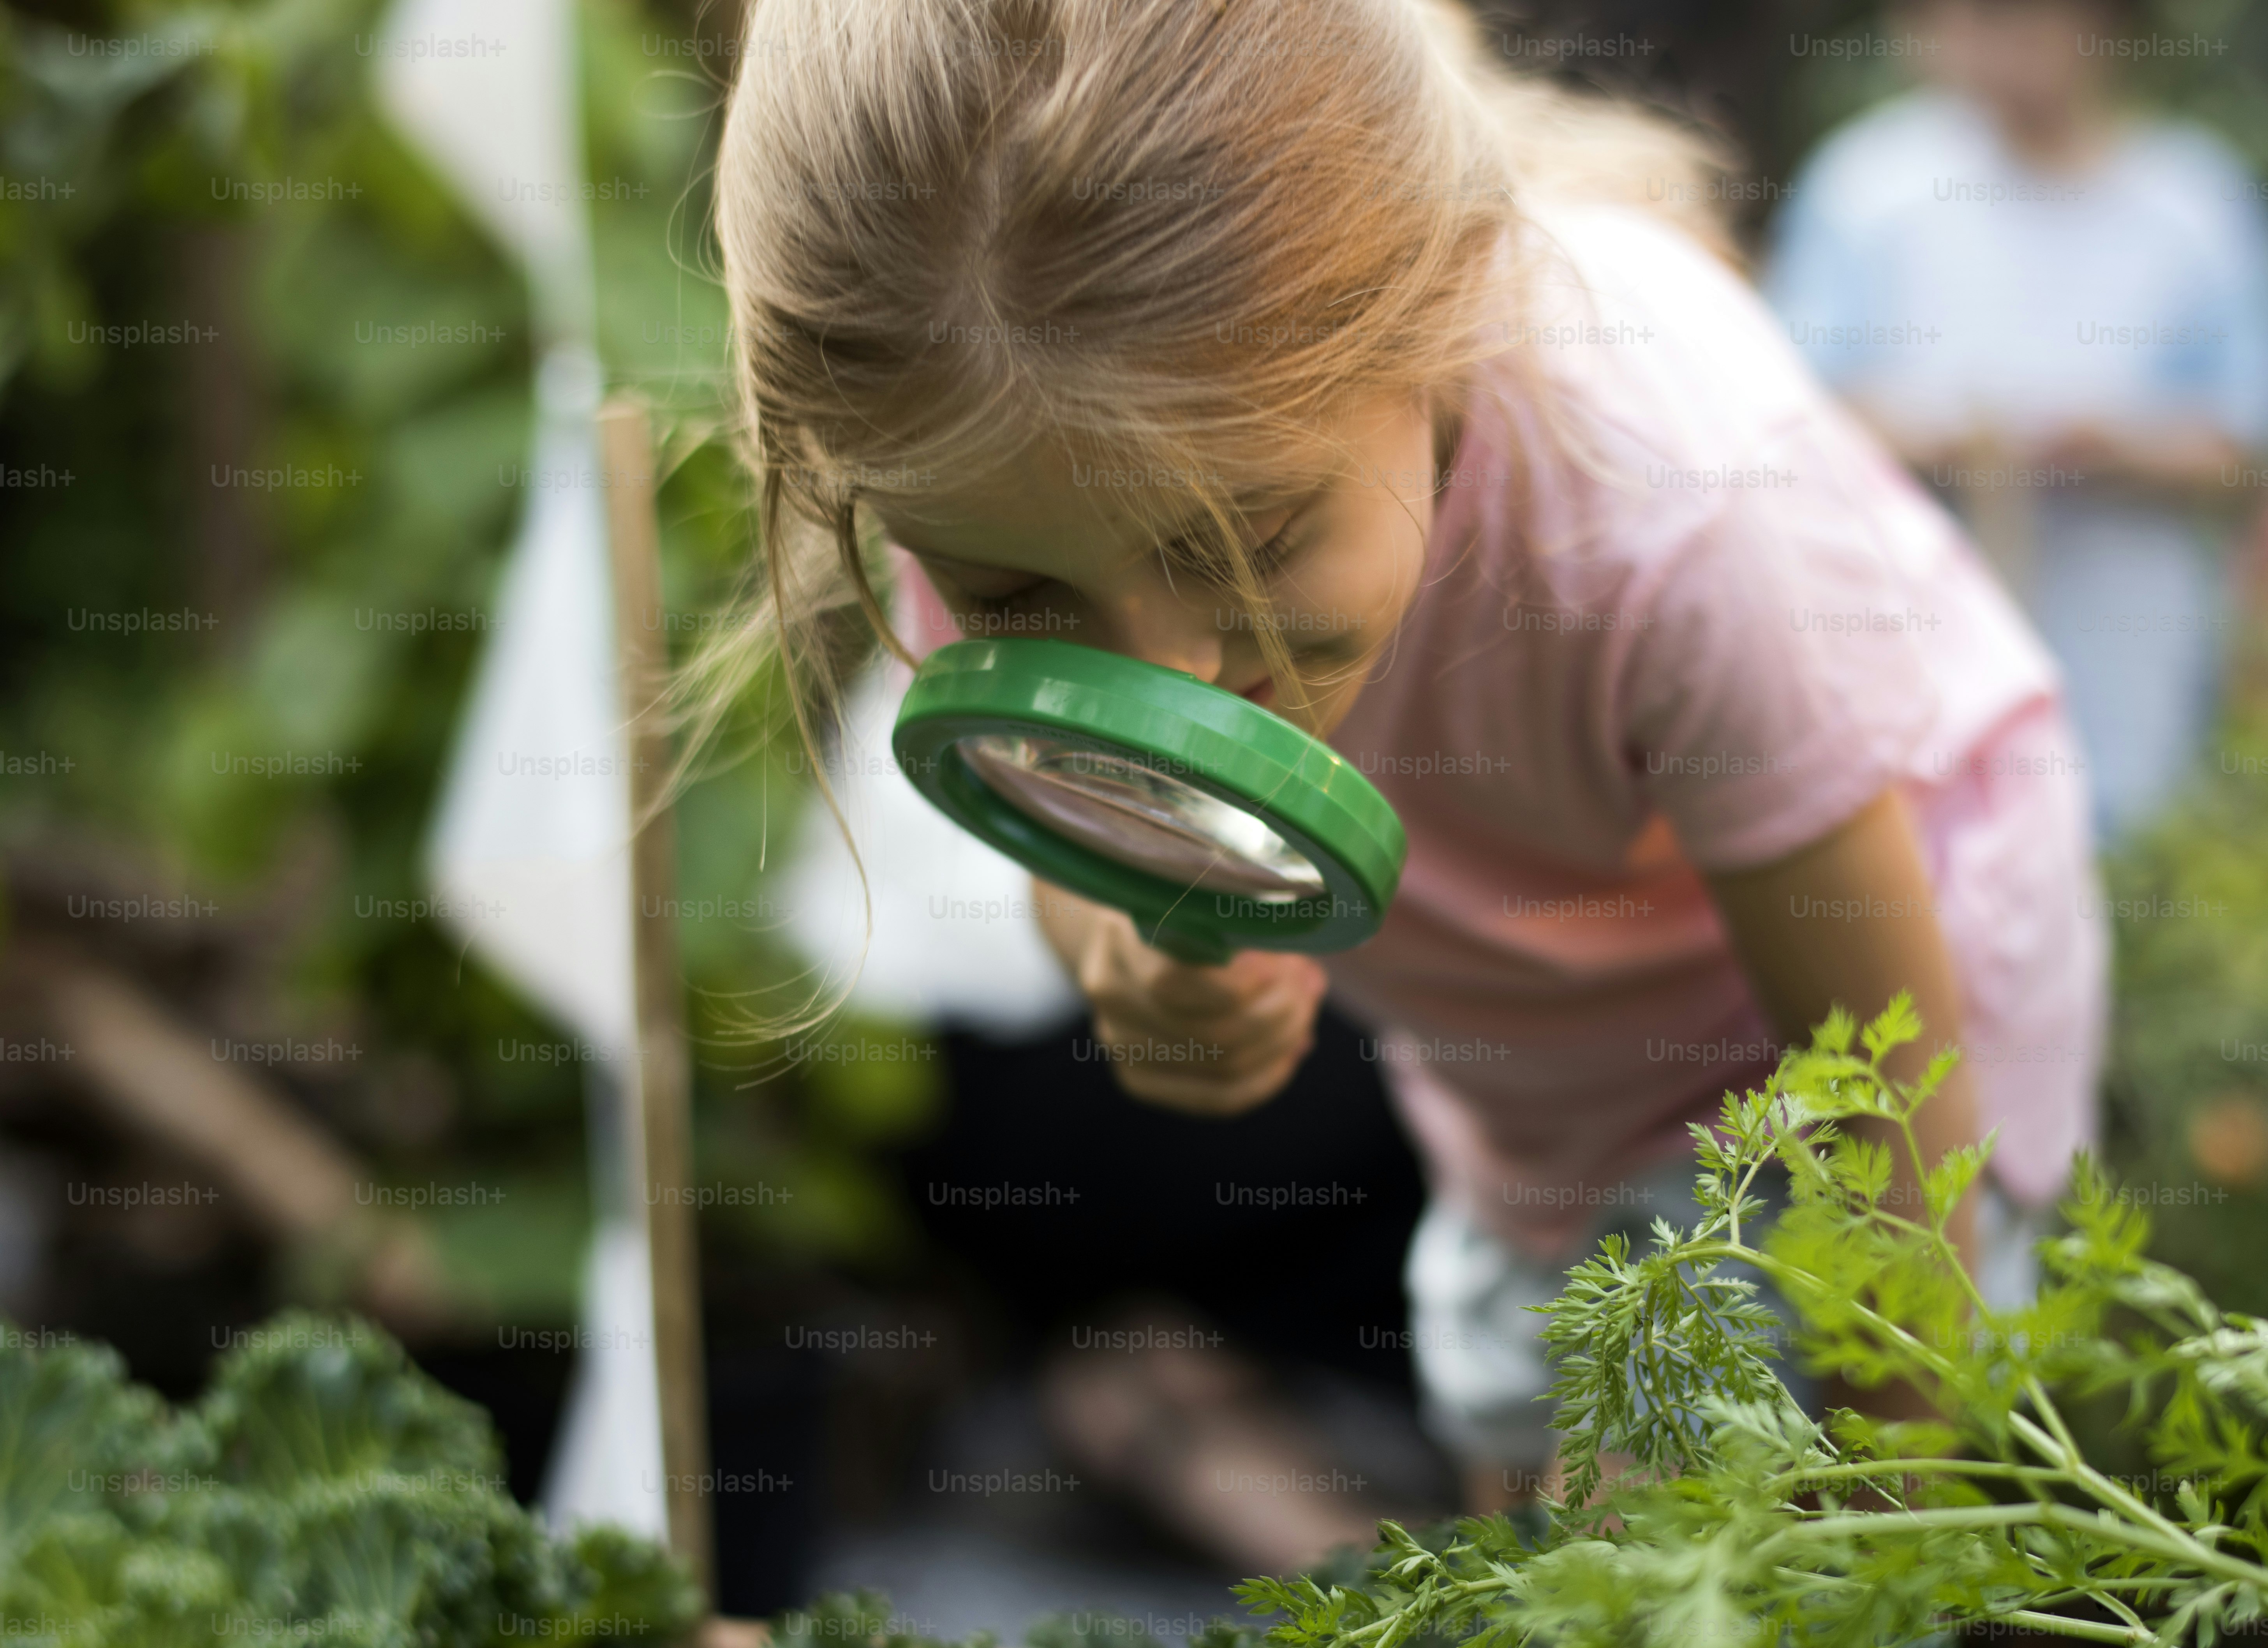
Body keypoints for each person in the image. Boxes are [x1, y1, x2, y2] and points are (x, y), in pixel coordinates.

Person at [701, 0, 2105, 1519]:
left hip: (1888, 1006)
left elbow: (1882, 1075)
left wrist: (1894, 1525)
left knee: (1734, 1530)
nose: (1164, 677)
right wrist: (1126, 958)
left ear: (1444, 303)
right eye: (1019, 605)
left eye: (1252, 547)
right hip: (1533, 1070)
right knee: (1525, 1469)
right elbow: (1077, 837)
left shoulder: (1668, 513)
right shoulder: (1004, 475)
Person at [1762, 0, 2268, 840]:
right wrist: (1955, 443)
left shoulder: (2194, 201)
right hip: (1903, 646)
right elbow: (1790, 413)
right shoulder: (1868, 187)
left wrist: (2117, 448)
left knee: (2127, 877)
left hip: (2128, 653)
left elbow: (2249, 435)